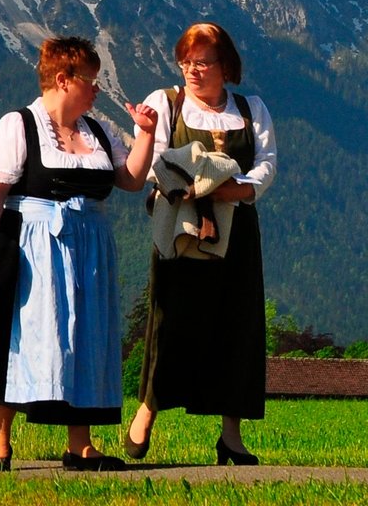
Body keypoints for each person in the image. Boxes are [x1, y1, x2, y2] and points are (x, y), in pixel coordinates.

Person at [0, 36, 158, 472]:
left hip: (91, 245)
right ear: (63, 80)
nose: (97, 89)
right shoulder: (20, 125)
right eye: (91, 80)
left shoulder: (96, 130)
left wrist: (147, 134)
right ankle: (0, 436)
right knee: (28, 338)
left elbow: (132, 180)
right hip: (36, 244)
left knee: (86, 337)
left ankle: (80, 444)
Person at [125, 23, 277, 466]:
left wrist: (235, 190)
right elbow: (152, 162)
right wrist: (191, 188)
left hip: (237, 231)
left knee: (237, 324)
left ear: (225, 67)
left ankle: (231, 434)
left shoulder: (252, 109)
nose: (192, 70)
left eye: (202, 62)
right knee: (171, 319)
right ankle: (147, 412)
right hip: (182, 227)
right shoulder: (166, 104)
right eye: (186, 61)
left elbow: (266, 165)